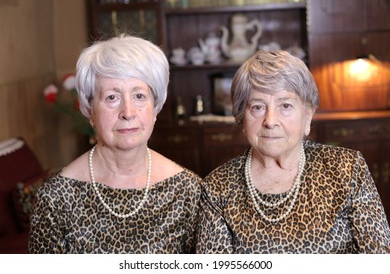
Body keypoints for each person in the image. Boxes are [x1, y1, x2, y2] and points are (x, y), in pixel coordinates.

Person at [196, 50, 390, 253]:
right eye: (258, 107)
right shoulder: (218, 188)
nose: (270, 121)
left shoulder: (347, 168)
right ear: (241, 118)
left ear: (307, 116)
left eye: (285, 105)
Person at [29, 34, 201, 254]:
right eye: (112, 97)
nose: (128, 113)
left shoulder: (189, 191)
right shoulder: (55, 199)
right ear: (90, 111)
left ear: (155, 108)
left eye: (139, 96)